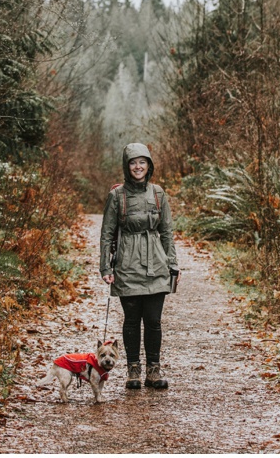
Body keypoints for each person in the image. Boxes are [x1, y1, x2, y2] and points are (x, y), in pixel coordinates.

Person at [99, 142, 179, 390]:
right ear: (127, 166)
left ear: (149, 166)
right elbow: (107, 233)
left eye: (142, 162)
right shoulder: (117, 196)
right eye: (133, 162)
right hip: (127, 264)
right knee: (132, 320)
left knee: (154, 321)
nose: (138, 167)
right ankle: (133, 371)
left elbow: (167, 231)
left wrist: (173, 265)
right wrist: (106, 268)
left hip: (156, 263)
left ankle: (153, 372)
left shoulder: (158, 193)